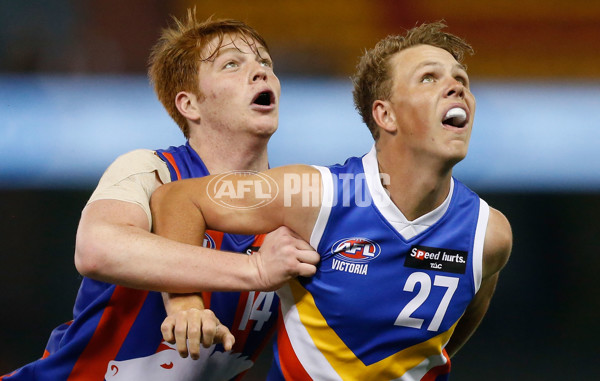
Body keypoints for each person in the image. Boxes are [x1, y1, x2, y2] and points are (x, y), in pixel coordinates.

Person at [151, 21, 513, 380]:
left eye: (461, 80)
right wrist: (185, 304)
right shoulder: (317, 195)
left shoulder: (489, 234)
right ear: (385, 114)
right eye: (429, 78)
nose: (456, 88)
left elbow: (450, 338)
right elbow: (177, 199)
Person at [1, 10, 319, 381]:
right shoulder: (151, 170)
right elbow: (97, 248)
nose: (261, 71)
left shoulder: (295, 209)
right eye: (232, 64)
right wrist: (256, 270)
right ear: (190, 104)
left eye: (265, 62)